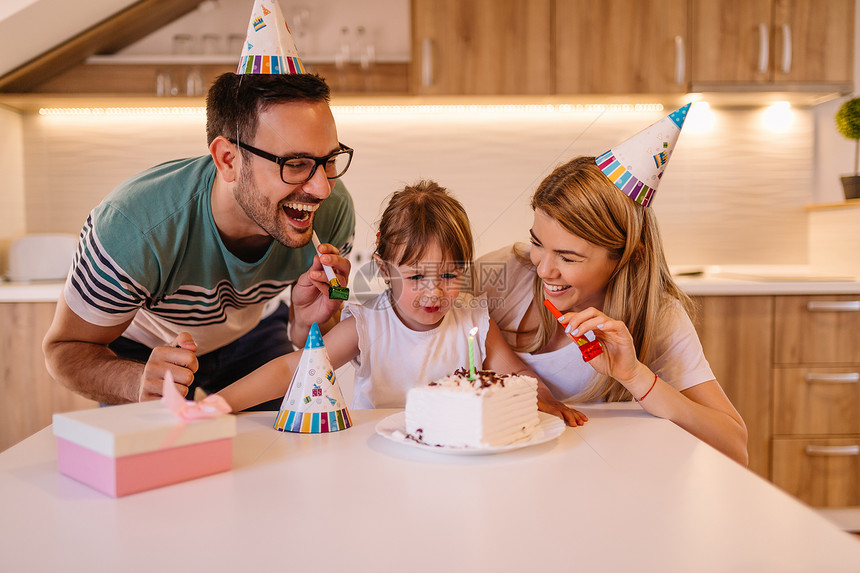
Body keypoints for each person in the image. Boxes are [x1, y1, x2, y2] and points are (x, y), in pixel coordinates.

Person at [42, 71, 355, 409]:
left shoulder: (332, 214)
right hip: (142, 355)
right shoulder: (133, 229)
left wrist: (309, 323)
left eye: (329, 160)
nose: (322, 188)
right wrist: (135, 381)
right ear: (228, 160)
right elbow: (63, 350)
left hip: (254, 332)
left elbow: (307, 336)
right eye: (295, 163)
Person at [217, 180, 586, 425]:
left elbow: (518, 374)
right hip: (377, 458)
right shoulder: (368, 324)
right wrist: (220, 404)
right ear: (384, 270)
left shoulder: (472, 318)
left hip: (451, 457)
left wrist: (547, 400)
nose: (434, 292)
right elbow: (293, 368)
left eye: (448, 275)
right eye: (416, 277)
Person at [476, 156, 749, 465]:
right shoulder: (506, 274)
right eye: (537, 243)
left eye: (568, 258)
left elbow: (734, 446)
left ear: (627, 258)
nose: (544, 270)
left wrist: (635, 376)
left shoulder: (659, 318)